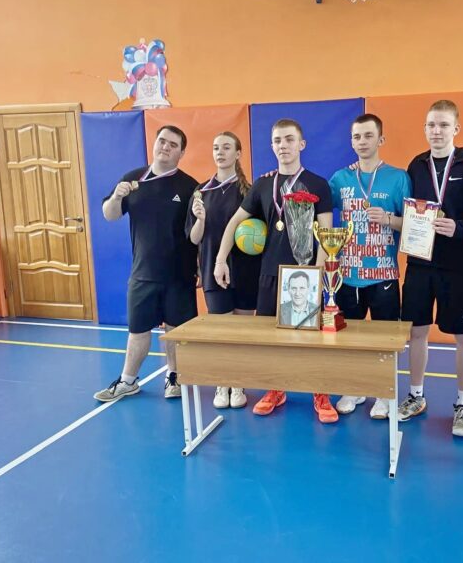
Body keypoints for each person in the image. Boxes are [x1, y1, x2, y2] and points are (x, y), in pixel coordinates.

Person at [213, 119, 338, 423]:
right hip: (270, 273)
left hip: (304, 273)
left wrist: (319, 271)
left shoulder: (318, 184)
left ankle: (320, 393)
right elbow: (234, 222)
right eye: (278, 140)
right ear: (271, 146)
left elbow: (326, 233)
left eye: (289, 139)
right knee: (272, 338)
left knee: (313, 340)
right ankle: (275, 389)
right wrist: (220, 259)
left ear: (301, 144)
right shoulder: (262, 185)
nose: (283, 145)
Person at [400, 100, 463, 436]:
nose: (436, 131)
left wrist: (460, 228)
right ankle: (416, 396)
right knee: (417, 332)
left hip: (455, 267)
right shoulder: (416, 165)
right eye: (431, 125)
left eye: (443, 125)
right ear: (425, 129)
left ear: (456, 128)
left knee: (462, 335)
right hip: (418, 263)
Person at [94, 125, 199, 402]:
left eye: (173, 145)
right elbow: (109, 214)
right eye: (162, 141)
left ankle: (174, 377)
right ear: (155, 143)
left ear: (181, 153)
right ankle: (127, 381)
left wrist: (199, 264)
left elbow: (197, 231)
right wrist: (117, 196)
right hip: (143, 273)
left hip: (179, 274)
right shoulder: (132, 179)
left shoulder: (189, 186)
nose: (166, 147)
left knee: (175, 331)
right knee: (137, 330)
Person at [329, 113, 411, 419]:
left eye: (368, 135)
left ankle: (384, 394)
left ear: (381, 139)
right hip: (347, 274)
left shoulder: (398, 178)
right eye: (356, 137)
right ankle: (354, 387)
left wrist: (388, 219)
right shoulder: (340, 179)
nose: (361, 142)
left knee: (383, 341)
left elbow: (413, 224)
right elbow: (320, 207)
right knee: (349, 339)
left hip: (383, 274)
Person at [187, 131, 260, 409]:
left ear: (238, 153)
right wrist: (200, 219)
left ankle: (237, 383)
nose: (220, 152)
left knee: (241, 334)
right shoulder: (201, 192)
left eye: (227, 147)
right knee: (221, 332)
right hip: (213, 270)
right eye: (216, 147)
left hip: (246, 271)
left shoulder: (250, 191)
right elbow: (194, 238)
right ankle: (222, 383)